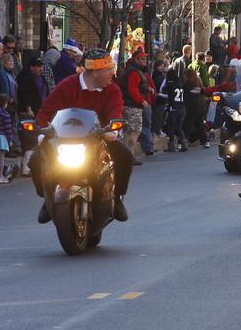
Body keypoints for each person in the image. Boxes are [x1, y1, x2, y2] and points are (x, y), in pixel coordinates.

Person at [33, 49, 132, 222]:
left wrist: (112, 130)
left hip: (99, 138)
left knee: (124, 156)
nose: (112, 73)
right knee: (35, 159)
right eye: (108, 69)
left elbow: (115, 112)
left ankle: (116, 198)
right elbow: (46, 111)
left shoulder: (112, 90)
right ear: (95, 72)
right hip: (64, 141)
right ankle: (47, 197)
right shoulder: (67, 85)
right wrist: (42, 133)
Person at [121, 47, 155, 162]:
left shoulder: (134, 71)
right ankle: (129, 156)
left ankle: (128, 156)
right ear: (137, 60)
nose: (145, 60)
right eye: (142, 59)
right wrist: (141, 100)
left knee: (131, 131)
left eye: (145, 58)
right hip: (133, 106)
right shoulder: (134, 72)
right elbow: (132, 90)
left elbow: (136, 87)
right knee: (134, 131)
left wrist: (147, 89)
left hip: (131, 105)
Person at [17, 57, 49, 175]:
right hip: (29, 113)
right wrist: (28, 107)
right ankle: (26, 168)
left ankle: (37, 165)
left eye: (41, 66)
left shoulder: (41, 78)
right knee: (30, 140)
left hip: (41, 112)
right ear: (32, 67)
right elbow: (25, 94)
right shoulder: (26, 78)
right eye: (38, 66)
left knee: (39, 139)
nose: (41, 69)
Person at [182, 68, 209, 148]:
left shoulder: (187, 85)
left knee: (187, 125)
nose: (183, 77)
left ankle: (183, 142)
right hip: (202, 106)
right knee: (199, 125)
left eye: (185, 75)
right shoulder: (199, 83)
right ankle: (205, 141)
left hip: (192, 107)